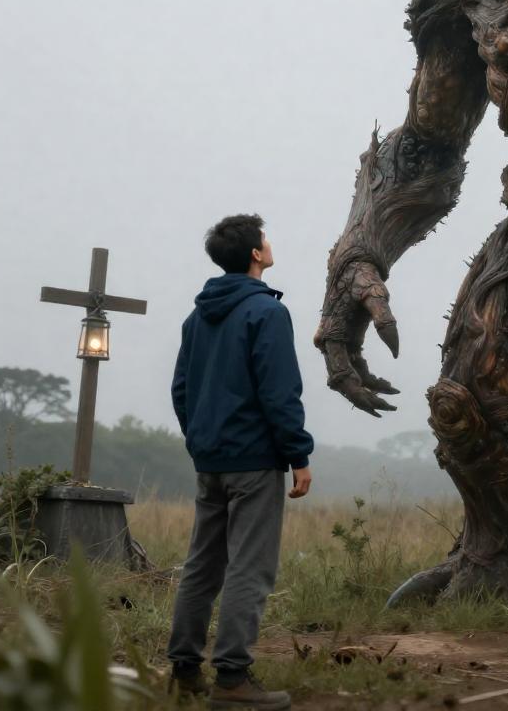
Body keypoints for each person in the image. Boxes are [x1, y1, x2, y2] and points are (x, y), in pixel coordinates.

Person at [167, 213, 313, 709]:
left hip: (210, 461)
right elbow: (279, 391)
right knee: (250, 568)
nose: (269, 244)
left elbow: (181, 390)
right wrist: (298, 454)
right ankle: (232, 680)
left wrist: (201, 442)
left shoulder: (196, 318)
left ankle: (184, 672)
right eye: (264, 239)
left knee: (202, 566)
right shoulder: (267, 313)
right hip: (253, 463)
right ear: (255, 254)